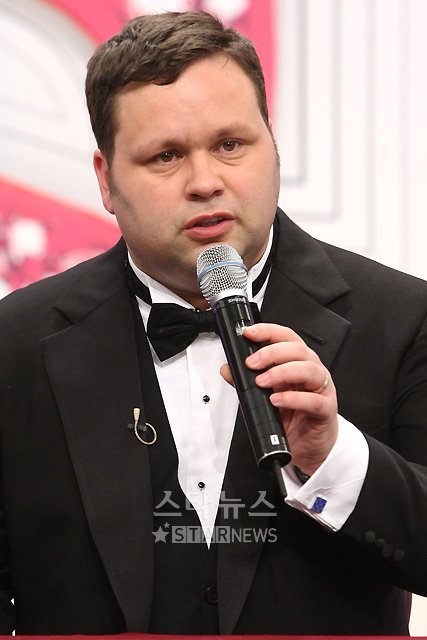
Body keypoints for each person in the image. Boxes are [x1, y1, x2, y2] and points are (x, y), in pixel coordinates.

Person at [0, 10, 427, 636]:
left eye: (230, 145)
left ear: (273, 147)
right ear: (106, 180)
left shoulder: (403, 317)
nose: (205, 183)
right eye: (166, 156)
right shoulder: (14, 343)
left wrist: (334, 457)